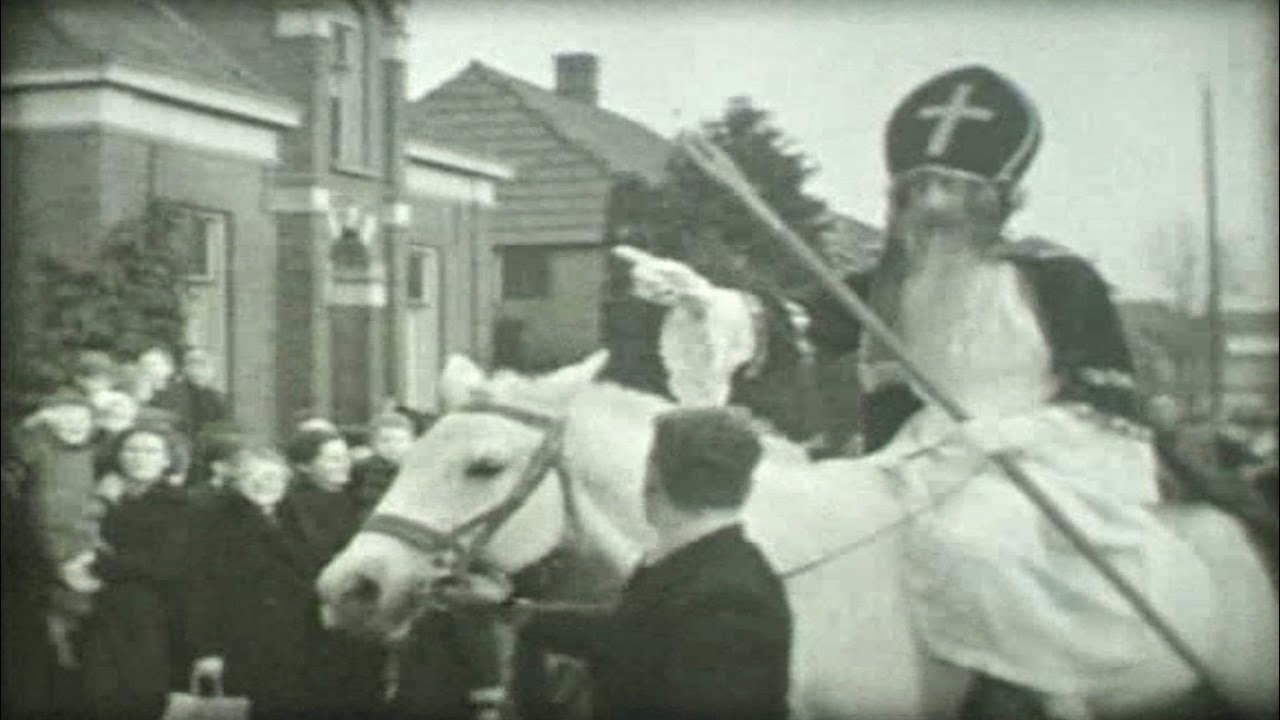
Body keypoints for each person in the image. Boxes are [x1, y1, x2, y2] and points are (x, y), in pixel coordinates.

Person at [615, 65, 1232, 717]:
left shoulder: (1056, 278)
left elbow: (1105, 403)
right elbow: (801, 319)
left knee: (973, 538)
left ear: (997, 196)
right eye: (919, 187)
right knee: (819, 516)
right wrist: (711, 302)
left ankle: (1036, 693)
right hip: (924, 454)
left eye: (954, 187)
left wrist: (1004, 435)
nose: (934, 204)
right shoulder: (896, 280)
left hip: (1051, 454)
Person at [453, 406, 793, 720]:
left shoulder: (726, 591)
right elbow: (625, 634)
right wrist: (507, 608)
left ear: (653, 482)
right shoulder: (705, 564)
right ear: (744, 485)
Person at [187, 447, 329, 718]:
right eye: (254, 476)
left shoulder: (297, 518)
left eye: (274, 477)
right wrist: (207, 650)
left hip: (298, 642)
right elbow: (200, 589)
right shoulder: (213, 519)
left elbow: (313, 569)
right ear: (236, 481)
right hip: (239, 644)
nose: (265, 484)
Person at [81, 422, 194, 720]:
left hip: (155, 617)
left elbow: (166, 565)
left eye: (150, 451)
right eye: (131, 449)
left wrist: (101, 564)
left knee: (142, 697)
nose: (139, 457)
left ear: (167, 459)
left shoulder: (181, 504)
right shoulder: (101, 496)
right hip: (99, 613)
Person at [349, 412, 416, 517]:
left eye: (400, 441)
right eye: (385, 441)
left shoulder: (417, 470)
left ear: (412, 442)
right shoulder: (361, 469)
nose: (393, 446)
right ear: (373, 443)